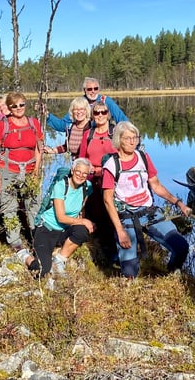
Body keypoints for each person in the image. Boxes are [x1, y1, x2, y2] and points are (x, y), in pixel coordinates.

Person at [102, 121, 192, 278]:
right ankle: (129, 276)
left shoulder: (143, 157)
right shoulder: (111, 165)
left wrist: (178, 203)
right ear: (118, 140)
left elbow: (156, 186)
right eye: (127, 138)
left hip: (149, 212)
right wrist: (120, 230)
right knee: (130, 272)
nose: (132, 141)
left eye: (135, 137)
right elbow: (107, 200)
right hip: (126, 216)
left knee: (181, 247)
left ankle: (171, 273)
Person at [0, 92, 44, 266]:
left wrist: (36, 170)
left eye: (21, 105)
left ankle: (37, 239)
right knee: (9, 207)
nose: (19, 108)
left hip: (29, 171)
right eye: (14, 106)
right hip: (8, 170)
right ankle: (16, 243)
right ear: (9, 108)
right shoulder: (3, 125)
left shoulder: (33, 123)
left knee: (34, 205)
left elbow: (38, 148)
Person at [32, 157, 95, 278]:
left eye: (85, 173)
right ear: (72, 170)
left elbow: (82, 207)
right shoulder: (61, 186)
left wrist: (85, 222)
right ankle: (25, 257)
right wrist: (83, 221)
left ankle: (60, 259)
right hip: (47, 229)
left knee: (82, 231)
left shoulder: (87, 187)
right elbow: (61, 217)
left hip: (64, 230)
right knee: (43, 269)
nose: (81, 176)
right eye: (78, 171)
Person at [76, 100, 119, 265]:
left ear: (108, 114)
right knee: (96, 216)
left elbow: (121, 158)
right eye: (96, 112)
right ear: (92, 115)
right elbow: (81, 159)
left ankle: (117, 251)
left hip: (111, 180)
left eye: (103, 112)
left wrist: (103, 171)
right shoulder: (88, 134)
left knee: (112, 215)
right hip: (91, 180)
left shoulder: (115, 133)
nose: (100, 115)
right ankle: (102, 251)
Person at [45, 77, 128, 132]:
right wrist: (48, 116)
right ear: (84, 90)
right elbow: (63, 126)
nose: (93, 91)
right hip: (84, 141)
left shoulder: (106, 101)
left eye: (95, 88)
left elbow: (123, 121)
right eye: (89, 89)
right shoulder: (79, 103)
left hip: (102, 139)